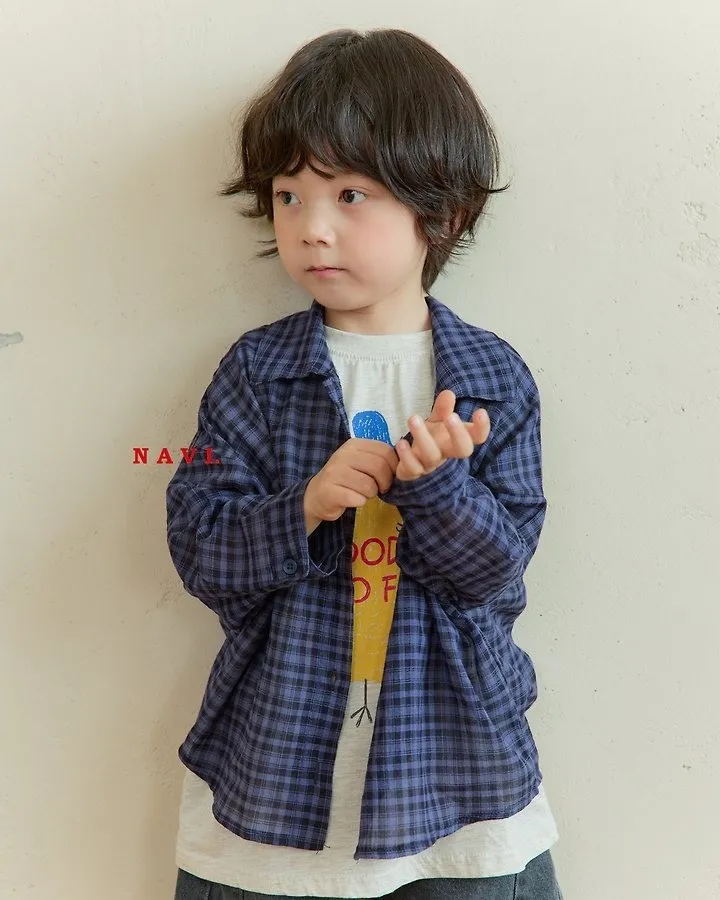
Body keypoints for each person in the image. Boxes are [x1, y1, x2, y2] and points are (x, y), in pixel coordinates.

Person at [166, 27, 563, 900]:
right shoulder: (256, 372)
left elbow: (497, 572)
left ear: (442, 212)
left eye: (350, 194)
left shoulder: (492, 378)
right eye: (289, 196)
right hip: (277, 763)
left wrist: (440, 490)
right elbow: (198, 546)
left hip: (454, 770)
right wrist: (304, 504)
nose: (312, 229)